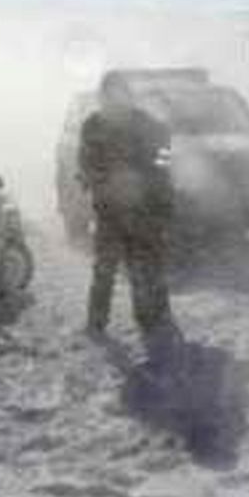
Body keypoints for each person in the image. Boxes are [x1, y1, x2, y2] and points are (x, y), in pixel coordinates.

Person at [79, 72, 178, 351]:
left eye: (120, 93)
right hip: (110, 210)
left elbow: (164, 159)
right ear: (104, 96)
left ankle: (154, 318)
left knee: (145, 268)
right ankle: (97, 320)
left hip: (144, 210)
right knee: (105, 269)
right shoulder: (93, 125)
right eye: (110, 94)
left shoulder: (145, 123)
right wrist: (96, 179)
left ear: (127, 94)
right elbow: (84, 162)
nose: (115, 99)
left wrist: (160, 191)